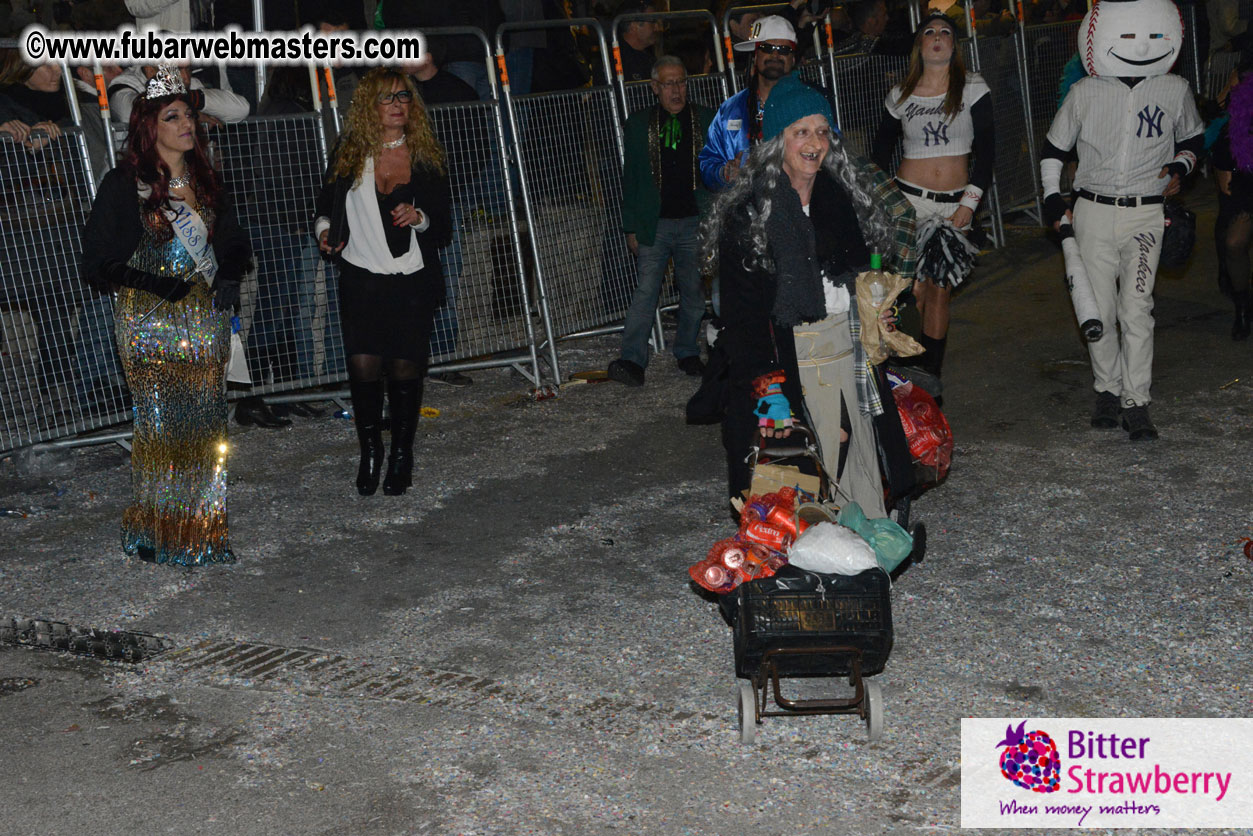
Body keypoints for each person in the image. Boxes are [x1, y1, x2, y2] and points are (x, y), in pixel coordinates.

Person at [705, 74, 917, 517]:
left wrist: (880, 312)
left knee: (860, 470)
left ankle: (866, 556)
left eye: (822, 131)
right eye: (801, 131)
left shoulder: (838, 197)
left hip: (848, 352)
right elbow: (743, 317)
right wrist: (769, 390)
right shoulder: (749, 214)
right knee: (804, 484)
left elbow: (860, 274)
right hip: (790, 360)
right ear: (776, 141)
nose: (814, 142)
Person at [79, 66, 251, 565]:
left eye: (189, 116)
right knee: (161, 428)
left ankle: (203, 531)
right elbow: (96, 262)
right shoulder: (123, 184)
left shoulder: (207, 178)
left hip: (204, 318)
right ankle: (159, 532)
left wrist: (232, 273)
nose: (187, 125)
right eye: (173, 117)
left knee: (208, 427)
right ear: (150, 126)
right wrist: (151, 281)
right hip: (149, 320)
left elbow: (234, 238)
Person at [1040, 0, 1203, 441]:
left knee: (1137, 309)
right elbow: (1054, 151)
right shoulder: (1084, 93)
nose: (1141, 44)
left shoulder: (1174, 89)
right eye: (1128, 35)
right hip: (1092, 211)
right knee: (1100, 311)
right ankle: (1107, 389)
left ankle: (1136, 400)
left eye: (1149, 35)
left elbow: (1192, 139)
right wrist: (1054, 203)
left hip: (1146, 214)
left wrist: (1181, 169)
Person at [313, 68, 452, 496]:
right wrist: (323, 231)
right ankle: (370, 450)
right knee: (363, 367)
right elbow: (324, 207)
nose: (397, 105)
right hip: (360, 276)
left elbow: (444, 227)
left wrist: (420, 217)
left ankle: (402, 455)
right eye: (387, 98)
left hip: (411, 278)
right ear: (369, 106)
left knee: (405, 368)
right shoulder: (350, 151)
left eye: (404, 97)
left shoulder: (426, 155)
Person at [872, 12, 994, 383]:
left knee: (939, 290)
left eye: (945, 32)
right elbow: (879, 154)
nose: (938, 37)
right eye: (929, 32)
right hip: (910, 204)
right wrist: (882, 199)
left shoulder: (973, 86)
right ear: (919, 44)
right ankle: (906, 364)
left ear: (954, 45)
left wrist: (969, 204)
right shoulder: (901, 94)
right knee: (914, 290)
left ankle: (930, 375)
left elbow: (988, 150)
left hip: (955, 205)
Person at [607, 56, 715, 387]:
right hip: (655, 224)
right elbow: (632, 179)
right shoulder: (639, 125)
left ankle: (686, 351)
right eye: (668, 83)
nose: (676, 90)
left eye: (680, 82)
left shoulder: (706, 119)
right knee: (645, 293)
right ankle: (632, 359)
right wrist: (631, 226)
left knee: (694, 293)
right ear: (655, 87)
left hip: (693, 221)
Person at [700, 15, 798, 192]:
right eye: (767, 48)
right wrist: (724, 173)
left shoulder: (808, 105)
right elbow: (708, 162)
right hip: (745, 209)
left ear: (793, 59)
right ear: (755, 55)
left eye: (784, 49)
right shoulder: (730, 110)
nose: (775, 54)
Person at [1213, 64, 1253, 340]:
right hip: (1244, 185)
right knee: (1234, 243)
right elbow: (1226, 186)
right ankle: (1243, 306)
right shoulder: (1234, 108)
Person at [109, 64, 250, 127]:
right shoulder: (123, 84)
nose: (185, 77)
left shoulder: (190, 83)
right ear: (151, 70)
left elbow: (241, 109)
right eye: (176, 69)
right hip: (135, 177)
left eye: (188, 68)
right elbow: (130, 113)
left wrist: (189, 102)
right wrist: (189, 110)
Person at [617, 0, 662, 82]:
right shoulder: (615, 62)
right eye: (652, 22)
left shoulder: (649, 59)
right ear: (633, 25)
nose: (657, 28)